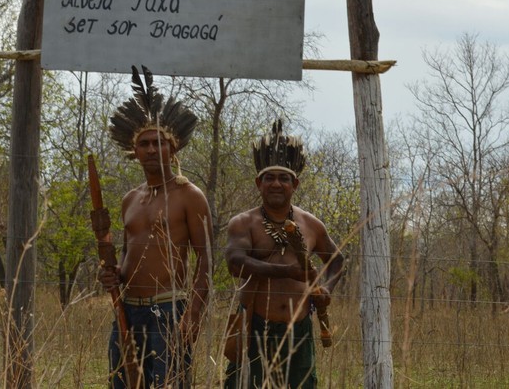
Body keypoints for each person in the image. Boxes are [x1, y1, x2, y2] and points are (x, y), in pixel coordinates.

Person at [98, 65, 213, 388]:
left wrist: (193, 314)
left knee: (169, 383)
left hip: (168, 310)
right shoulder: (130, 199)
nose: (151, 149)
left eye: (159, 143)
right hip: (127, 310)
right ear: (134, 152)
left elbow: (206, 260)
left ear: (172, 148)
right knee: (124, 383)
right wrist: (112, 274)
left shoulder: (189, 195)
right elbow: (126, 256)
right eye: (145, 144)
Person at [224, 120, 345, 388]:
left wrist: (327, 288)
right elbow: (236, 263)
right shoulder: (243, 222)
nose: (276, 184)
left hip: (298, 329)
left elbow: (337, 261)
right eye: (269, 178)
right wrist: (286, 271)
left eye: (284, 178)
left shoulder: (312, 225)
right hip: (253, 325)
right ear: (259, 183)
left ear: (295, 184)